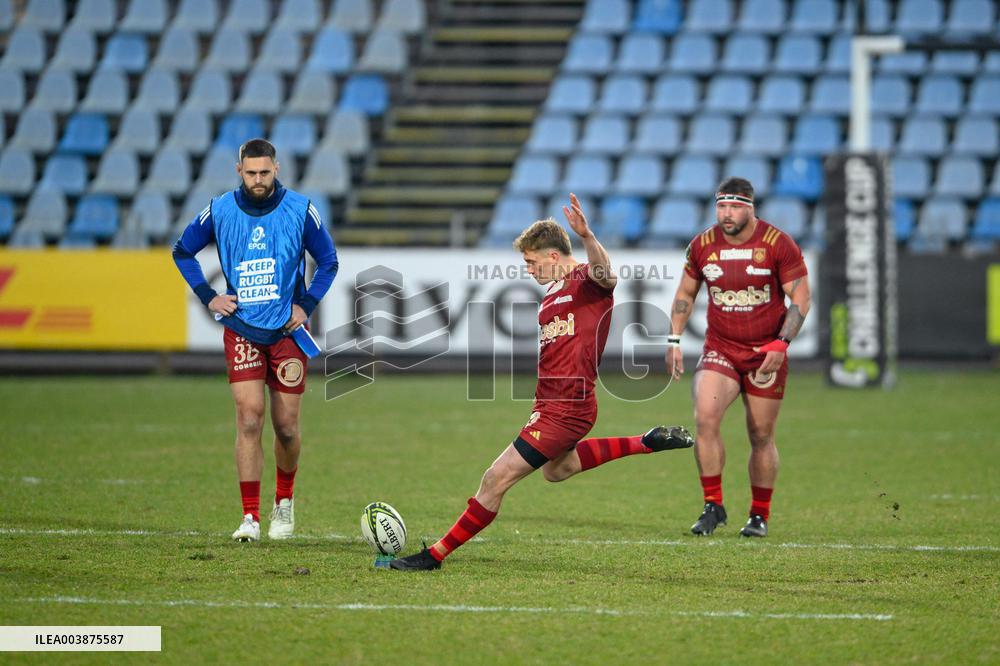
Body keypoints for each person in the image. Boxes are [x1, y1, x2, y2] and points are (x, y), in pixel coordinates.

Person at [390, 194, 694, 571]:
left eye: (532, 262)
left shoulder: (586, 281)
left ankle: (434, 555)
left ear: (553, 256)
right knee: (557, 470)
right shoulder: (550, 297)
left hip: (567, 408)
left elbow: (606, 273)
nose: (529, 271)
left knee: (495, 479)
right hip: (550, 405)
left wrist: (586, 236)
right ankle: (645, 441)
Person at [172, 139, 339, 542]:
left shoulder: (301, 209)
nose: (259, 179)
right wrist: (208, 296)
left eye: (265, 172)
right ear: (239, 171)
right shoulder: (220, 209)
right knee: (249, 418)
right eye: (251, 173)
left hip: (287, 334)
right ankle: (250, 517)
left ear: (276, 169)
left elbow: (329, 261)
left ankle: (284, 501)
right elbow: (183, 252)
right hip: (242, 330)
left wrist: (308, 304)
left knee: (286, 428)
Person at [666, 177, 811, 538]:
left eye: (733, 207)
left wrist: (782, 343)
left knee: (761, 434)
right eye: (720, 206)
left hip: (766, 352)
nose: (726, 214)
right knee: (705, 418)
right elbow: (686, 291)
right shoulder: (702, 245)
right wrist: (673, 339)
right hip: (721, 349)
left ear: (750, 207)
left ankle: (759, 514)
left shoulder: (778, 244)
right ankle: (713, 505)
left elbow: (801, 297)